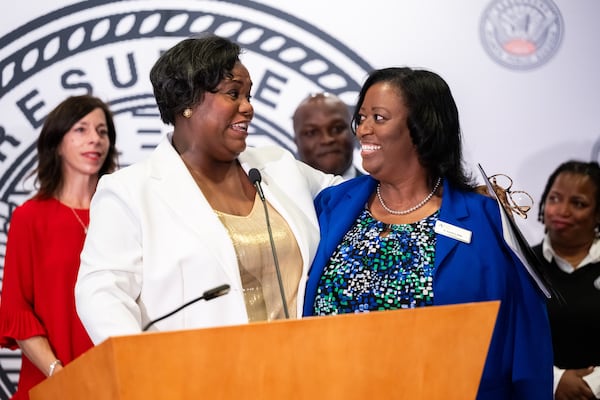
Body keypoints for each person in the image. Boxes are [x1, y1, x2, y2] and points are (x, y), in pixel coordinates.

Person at [302, 67, 553, 399]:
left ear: (422, 129)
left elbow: (526, 346)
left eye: (378, 117)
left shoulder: (485, 220)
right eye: (361, 117)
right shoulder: (331, 206)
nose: (363, 129)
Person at [74, 34, 342, 345]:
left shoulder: (278, 167)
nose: (248, 108)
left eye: (249, 96)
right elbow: (101, 293)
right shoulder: (130, 192)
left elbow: (358, 197)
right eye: (233, 94)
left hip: (301, 376)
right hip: (194, 381)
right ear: (186, 103)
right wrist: (144, 372)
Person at [0, 95, 118, 399]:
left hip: (116, 383)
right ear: (57, 142)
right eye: (81, 129)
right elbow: (17, 311)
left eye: (102, 131)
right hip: (52, 385)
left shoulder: (125, 216)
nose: (95, 139)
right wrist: (60, 375)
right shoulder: (30, 217)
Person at [533, 160, 600, 400]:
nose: (562, 211)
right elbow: (506, 337)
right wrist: (554, 380)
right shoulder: (521, 264)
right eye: (554, 199)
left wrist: (594, 385)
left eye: (578, 203)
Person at [292, 92, 361, 179]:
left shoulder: (379, 190)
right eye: (312, 132)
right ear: (296, 142)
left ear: (353, 131)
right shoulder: (278, 192)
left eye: (337, 128)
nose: (327, 140)